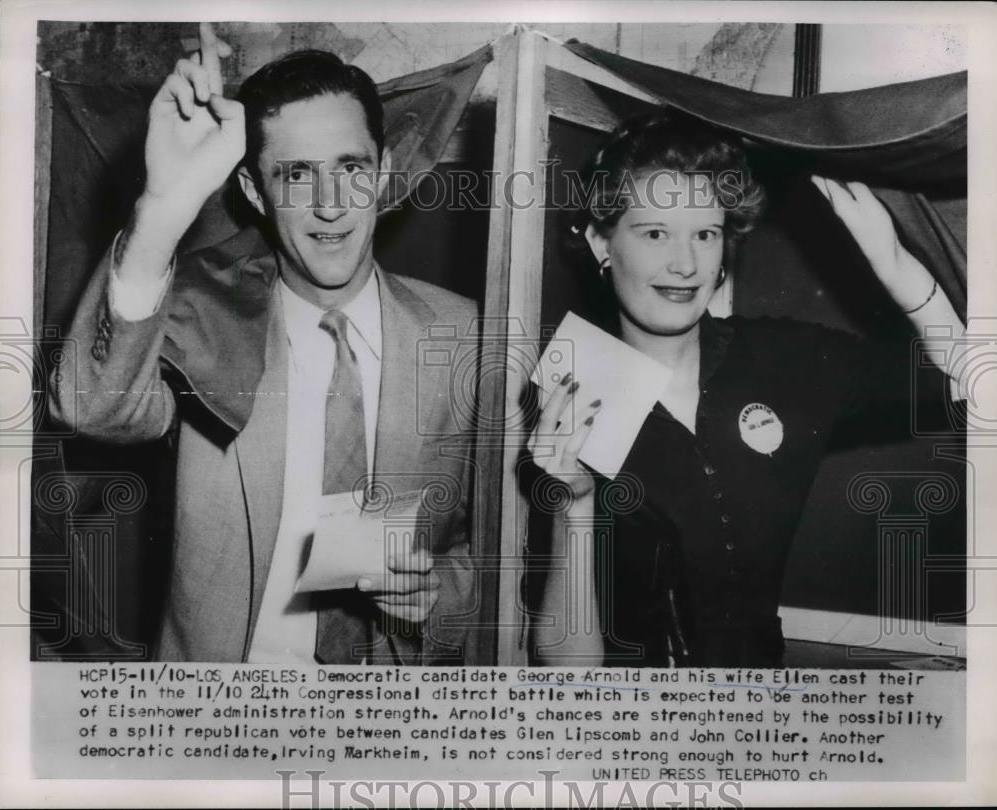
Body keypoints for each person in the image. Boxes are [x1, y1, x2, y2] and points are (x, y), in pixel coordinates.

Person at [49, 24, 477, 664]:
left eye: (350, 169)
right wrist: (166, 204)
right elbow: (90, 408)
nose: (330, 206)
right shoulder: (204, 315)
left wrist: (440, 593)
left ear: (383, 174)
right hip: (225, 725)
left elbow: (497, 545)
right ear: (254, 191)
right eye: (297, 174)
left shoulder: (464, 331)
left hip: (397, 721)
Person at [530, 110, 966, 668]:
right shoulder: (569, 393)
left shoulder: (787, 360)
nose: (685, 264)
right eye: (655, 232)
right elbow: (569, 673)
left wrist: (898, 267)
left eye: (705, 234)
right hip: (631, 732)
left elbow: (973, 383)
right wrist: (574, 506)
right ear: (601, 243)